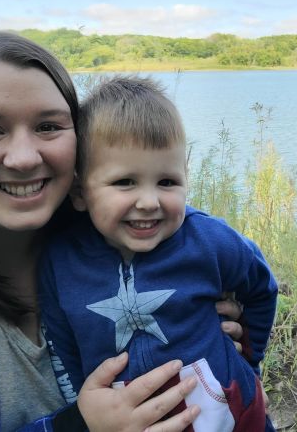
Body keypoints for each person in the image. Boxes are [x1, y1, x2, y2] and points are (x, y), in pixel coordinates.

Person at [0, 32, 244, 431]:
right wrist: (80, 426)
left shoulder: (111, 222)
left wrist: (222, 351)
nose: (24, 158)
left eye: (48, 126)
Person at [38, 76, 278, 432]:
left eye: (167, 182)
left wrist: (249, 361)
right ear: (79, 192)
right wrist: (84, 410)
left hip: (231, 414)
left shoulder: (210, 241)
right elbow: (63, 346)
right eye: (125, 182)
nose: (149, 202)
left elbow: (262, 288)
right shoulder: (60, 262)